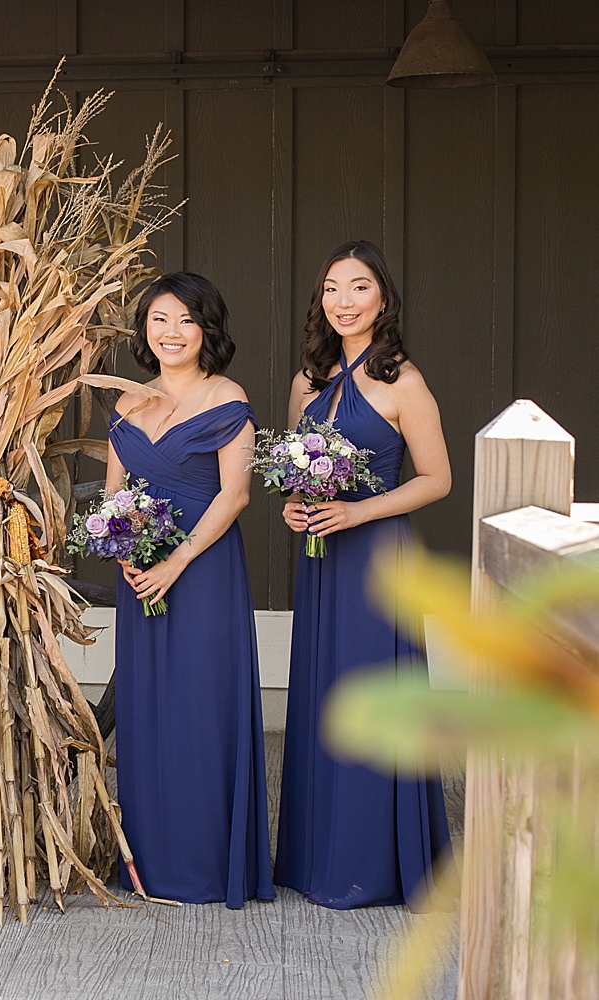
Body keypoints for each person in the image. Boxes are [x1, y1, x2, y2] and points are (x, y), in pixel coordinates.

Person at [274, 241, 452, 910]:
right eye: (331, 289)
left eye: (358, 287)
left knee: (376, 698)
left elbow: (437, 479)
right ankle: (316, 856)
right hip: (322, 559)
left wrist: (359, 512)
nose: (343, 301)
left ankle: (373, 865)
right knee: (326, 701)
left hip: (379, 559)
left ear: (383, 298)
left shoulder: (404, 381)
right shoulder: (307, 381)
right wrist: (295, 504)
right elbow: (295, 465)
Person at [106, 272, 275, 908]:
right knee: (148, 711)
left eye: (185, 320)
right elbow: (114, 493)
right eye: (159, 320)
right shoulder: (128, 403)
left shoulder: (227, 396)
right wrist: (124, 549)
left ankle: (205, 864)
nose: (171, 332)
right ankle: (150, 863)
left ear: (207, 329)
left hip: (201, 573)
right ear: (145, 330)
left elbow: (236, 493)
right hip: (140, 574)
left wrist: (176, 560)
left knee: (202, 708)